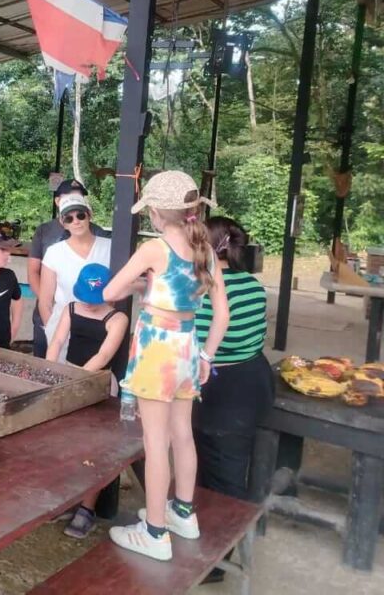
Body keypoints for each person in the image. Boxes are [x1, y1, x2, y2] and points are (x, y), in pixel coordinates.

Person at [102, 171, 228, 561]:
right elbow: (221, 313)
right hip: (189, 347)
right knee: (182, 434)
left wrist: (140, 285)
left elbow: (110, 292)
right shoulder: (205, 247)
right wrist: (207, 355)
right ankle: (182, 513)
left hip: (157, 349)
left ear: (156, 212)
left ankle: (155, 532)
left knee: (155, 442)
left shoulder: (155, 249)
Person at [193, 217, 275, 501]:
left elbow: (198, 343)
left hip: (222, 392)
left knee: (222, 477)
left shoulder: (205, 290)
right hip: (254, 379)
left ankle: (223, 540)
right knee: (224, 464)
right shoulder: (253, 284)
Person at [46, 263, 128, 538]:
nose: (90, 305)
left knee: (94, 447)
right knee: (65, 442)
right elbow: (57, 342)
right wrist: (50, 371)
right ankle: (69, 498)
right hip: (69, 374)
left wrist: (77, 379)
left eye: (96, 299)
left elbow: (103, 356)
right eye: (86, 298)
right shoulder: (71, 308)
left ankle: (87, 508)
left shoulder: (118, 319)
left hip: (100, 383)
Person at [28, 178, 109, 358]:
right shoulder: (53, 251)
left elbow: (118, 291)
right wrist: (54, 334)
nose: (76, 221)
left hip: (100, 326)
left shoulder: (109, 247)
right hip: (63, 325)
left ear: (89, 215)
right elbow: (45, 300)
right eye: (69, 218)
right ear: (62, 221)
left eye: (81, 215)